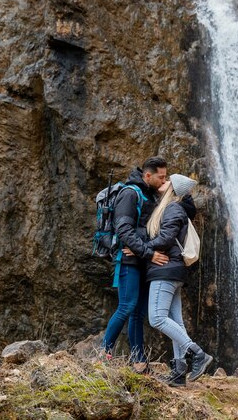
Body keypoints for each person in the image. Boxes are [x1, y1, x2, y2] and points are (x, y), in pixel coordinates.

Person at [143, 174, 213, 386]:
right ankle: (179, 372)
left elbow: (165, 238)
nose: (161, 183)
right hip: (174, 271)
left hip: (165, 270)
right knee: (176, 321)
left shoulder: (173, 208)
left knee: (156, 318)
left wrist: (143, 248)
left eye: (166, 181)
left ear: (172, 189)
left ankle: (198, 353)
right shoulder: (176, 208)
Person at [101, 157, 169, 369]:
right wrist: (149, 253)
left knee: (138, 313)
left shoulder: (149, 195)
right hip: (129, 260)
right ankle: (104, 351)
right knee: (126, 306)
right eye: (161, 177)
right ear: (147, 175)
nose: (163, 181)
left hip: (141, 260)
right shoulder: (130, 194)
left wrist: (145, 253)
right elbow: (123, 230)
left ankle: (139, 360)